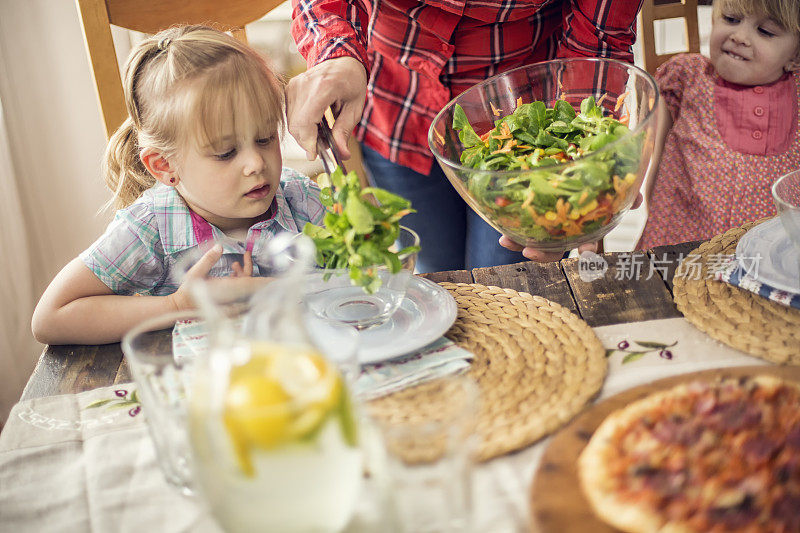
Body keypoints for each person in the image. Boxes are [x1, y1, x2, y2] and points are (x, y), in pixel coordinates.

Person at [286, 0, 643, 271]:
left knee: (510, 290)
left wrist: (579, 148)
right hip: (396, 107)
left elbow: (597, 38)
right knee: (440, 275)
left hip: (527, 122)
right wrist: (335, 52)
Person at [31, 26, 324, 345]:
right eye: (226, 153)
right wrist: (176, 305)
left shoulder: (298, 197)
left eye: (265, 138)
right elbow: (50, 317)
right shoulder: (151, 228)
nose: (256, 163)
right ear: (165, 166)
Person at [637, 0, 800, 249]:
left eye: (765, 31)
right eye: (731, 19)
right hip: (675, 255)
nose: (740, 37)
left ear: (795, 56)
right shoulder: (686, 77)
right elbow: (653, 167)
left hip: (765, 265)